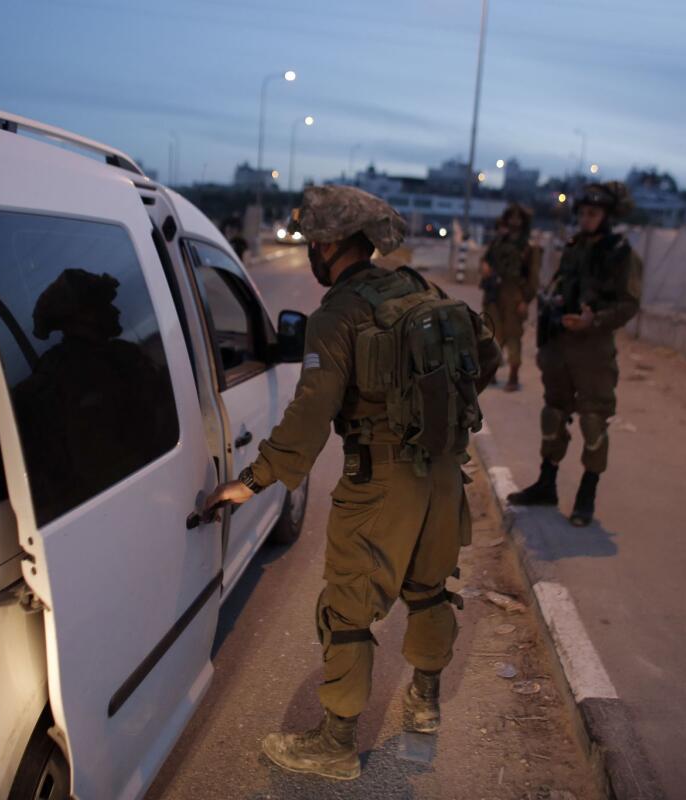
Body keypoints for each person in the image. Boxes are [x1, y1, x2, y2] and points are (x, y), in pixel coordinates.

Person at [203, 185, 499, 780]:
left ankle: (336, 743)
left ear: (334, 243)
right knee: (430, 591)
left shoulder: (338, 313)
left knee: (349, 609)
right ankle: (425, 706)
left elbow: (311, 414)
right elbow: (482, 354)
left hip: (380, 481)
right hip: (441, 472)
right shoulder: (419, 288)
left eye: (314, 240)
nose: (311, 251)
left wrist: (253, 480)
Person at [508, 182, 642, 526]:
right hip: (560, 346)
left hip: (592, 349)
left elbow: (628, 304)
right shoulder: (573, 247)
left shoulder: (621, 253)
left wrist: (593, 320)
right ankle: (546, 484)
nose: (586, 219)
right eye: (582, 213)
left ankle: (587, 496)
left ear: (608, 216)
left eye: (593, 213)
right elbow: (559, 285)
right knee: (553, 415)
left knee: (594, 422)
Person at [480, 205, 540, 391]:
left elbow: (533, 277)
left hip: (515, 294)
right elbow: (486, 260)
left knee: (513, 335)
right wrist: (485, 267)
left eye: (518, 218)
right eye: (511, 218)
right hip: (495, 293)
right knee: (492, 333)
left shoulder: (529, 248)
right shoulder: (498, 242)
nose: (514, 222)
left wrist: (525, 300)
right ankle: (492, 373)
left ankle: (513, 375)